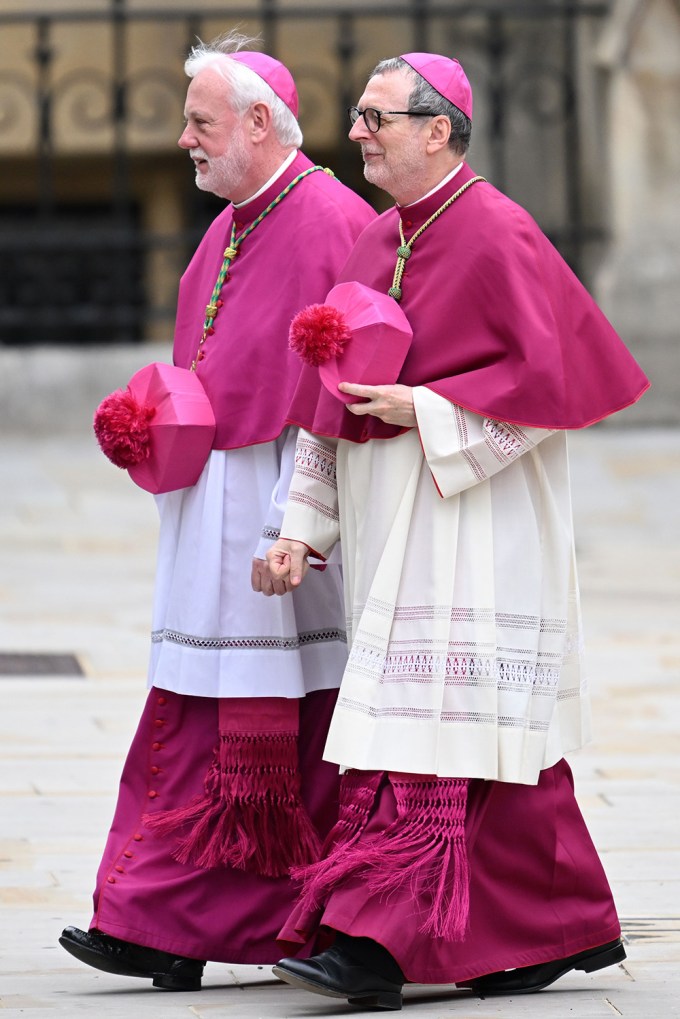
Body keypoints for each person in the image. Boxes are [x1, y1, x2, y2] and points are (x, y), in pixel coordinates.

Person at [264, 52, 649, 1010]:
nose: (356, 131)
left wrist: (427, 410)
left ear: (439, 130)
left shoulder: (500, 231)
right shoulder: (377, 239)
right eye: (356, 114)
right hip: (392, 519)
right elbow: (329, 404)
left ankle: (371, 945)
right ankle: (561, 925)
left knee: (439, 732)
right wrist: (301, 525)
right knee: (483, 745)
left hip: (474, 521)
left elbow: (548, 394)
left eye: (376, 117)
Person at [58, 32, 374, 991]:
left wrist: (292, 521)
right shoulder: (233, 218)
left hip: (277, 514)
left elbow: (329, 394)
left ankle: (192, 924)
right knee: (193, 711)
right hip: (214, 511)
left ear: (261, 121)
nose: (184, 138)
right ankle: (157, 920)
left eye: (200, 121)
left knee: (270, 728)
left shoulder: (326, 217)